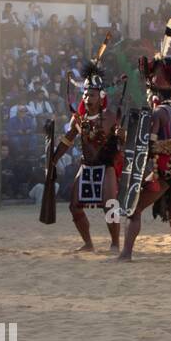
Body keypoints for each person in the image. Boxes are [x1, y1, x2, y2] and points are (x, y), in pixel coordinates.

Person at [118, 53, 171, 262]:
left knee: (134, 211)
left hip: (162, 174)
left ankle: (126, 254)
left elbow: (149, 146)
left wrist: (125, 138)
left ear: (153, 94)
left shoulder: (157, 115)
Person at [53, 58, 123, 251]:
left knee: (110, 205)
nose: (86, 98)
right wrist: (53, 159)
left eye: (91, 95)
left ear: (100, 97)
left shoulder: (110, 117)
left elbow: (122, 142)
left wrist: (121, 138)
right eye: (84, 95)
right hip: (86, 166)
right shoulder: (78, 119)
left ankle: (115, 242)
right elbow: (67, 140)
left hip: (106, 166)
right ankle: (88, 243)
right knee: (74, 206)